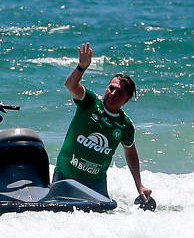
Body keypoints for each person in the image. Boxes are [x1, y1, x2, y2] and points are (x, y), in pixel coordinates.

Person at [52, 42, 152, 201]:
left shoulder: (125, 125)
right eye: (110, 88)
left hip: (95, 183)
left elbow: (131, 153)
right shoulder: (90, 102)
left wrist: (139, 185)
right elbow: (70, 85)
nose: (112, 93)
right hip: (65, 175)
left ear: (126, 99)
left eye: (118, 92)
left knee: (99, 222)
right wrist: (81, 67)